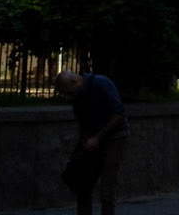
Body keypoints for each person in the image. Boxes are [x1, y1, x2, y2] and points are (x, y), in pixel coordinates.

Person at [53, 69, 129, 215]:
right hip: (93, 140)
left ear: (75, 82)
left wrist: (97, 138)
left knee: (107, 190)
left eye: (68, 93)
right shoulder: (79, 96)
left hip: (114, 138)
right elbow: (82, 121)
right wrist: (87, 140)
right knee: (83, 186)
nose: (69, 97)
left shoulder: (101, 84)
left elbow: (119, 114)